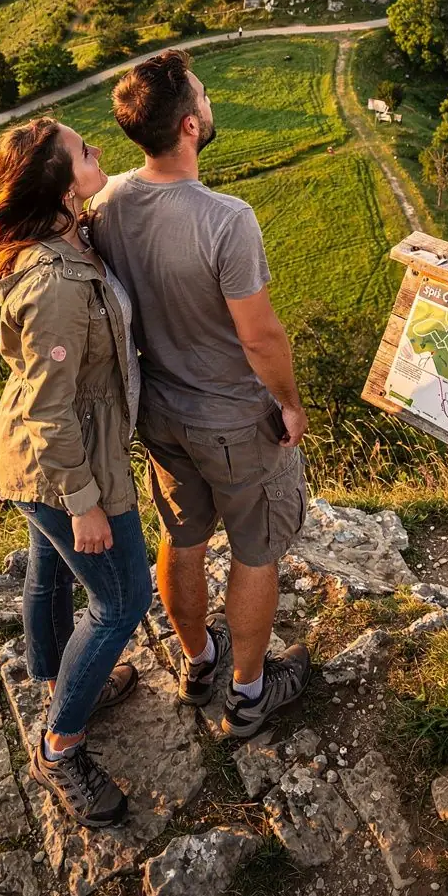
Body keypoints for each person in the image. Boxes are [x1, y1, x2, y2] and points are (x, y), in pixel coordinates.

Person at [89, 50, 310, 739]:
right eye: (205, 96)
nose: (211, 103)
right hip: (234, 417)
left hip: (160, 412)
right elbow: (261, 337)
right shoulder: (227, 218)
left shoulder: (108, 202)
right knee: (254, 551)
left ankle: (198, 658)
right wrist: (291, 402)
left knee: (182, 538)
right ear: (191, 125)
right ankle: (249, 694)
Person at [0, 116, 151, 828]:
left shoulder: (69, 238)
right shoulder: (57, 282)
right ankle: (61, 744)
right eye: (86, 153)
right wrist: (84, 500)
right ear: (64, 190)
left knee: (50, 570)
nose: (101, 155)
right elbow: (48, 407)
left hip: (45, 456)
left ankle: (59, 681)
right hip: (62, 463)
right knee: (126, 599)